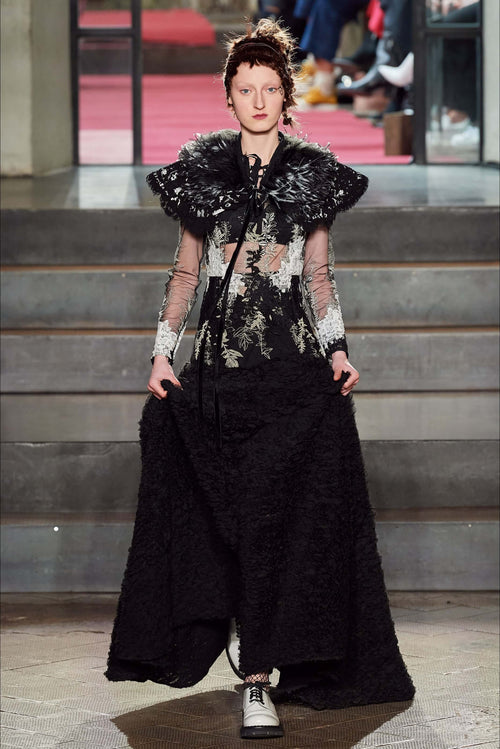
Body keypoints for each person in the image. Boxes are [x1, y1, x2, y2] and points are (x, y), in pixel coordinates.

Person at [105, 17, 416, 741]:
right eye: (245, 89)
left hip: (292, 379)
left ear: (285, 95)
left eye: (269, 88)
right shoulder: (203, 173)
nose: (257, 100)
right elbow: (186, 272)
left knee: (281, 532)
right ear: (229, 96)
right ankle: (246, 666)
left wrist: (337, 350)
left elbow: (318, 275)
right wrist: (161, 354)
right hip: (219, 379)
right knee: (231, 532)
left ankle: (259, 678)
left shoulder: (311, 174)